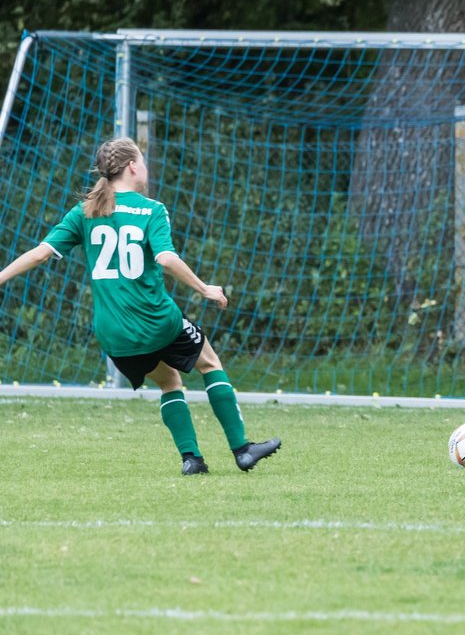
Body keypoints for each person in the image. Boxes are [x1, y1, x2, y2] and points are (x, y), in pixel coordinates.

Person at [0, 138, 281, 476]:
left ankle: (191, 460)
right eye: (143, 161)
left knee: (169, 382)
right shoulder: (151, 209)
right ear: (133, 166)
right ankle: (242, 448)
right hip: (156, 320)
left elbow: (40, 253)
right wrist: (205, 288)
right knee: (209, 362)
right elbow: (165, 258)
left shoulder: (86, 212)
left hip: (114, 335)